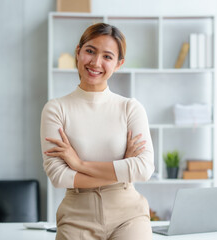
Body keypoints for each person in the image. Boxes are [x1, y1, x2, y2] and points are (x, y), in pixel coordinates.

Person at [40, 23, 155, 240]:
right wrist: (122, 168)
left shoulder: (130, 108)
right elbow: (58, 176)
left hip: (128, 216)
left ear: (119, 64)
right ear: (78, 52)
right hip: (76, 217)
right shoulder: (56, 109)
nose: (96, 62)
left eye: (107, 56)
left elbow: (144, 168)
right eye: (90, 51)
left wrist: (79, 165)